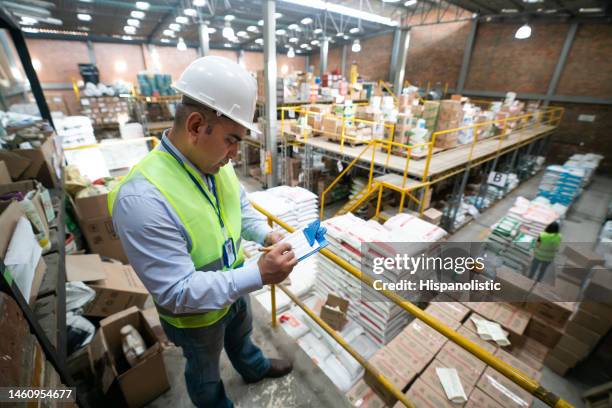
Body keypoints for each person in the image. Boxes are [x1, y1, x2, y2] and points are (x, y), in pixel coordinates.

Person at [108, 56, 297, 408]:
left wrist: (265, 236)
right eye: (231, 139)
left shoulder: (215, 162)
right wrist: (257, 274)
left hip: (236, 289)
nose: (234, 153)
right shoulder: (142, 199)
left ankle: (253, 368)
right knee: (205, 372)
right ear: (196, 125)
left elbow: (240, 211)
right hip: (197, 317)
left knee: (242, 339)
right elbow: (176, 291)